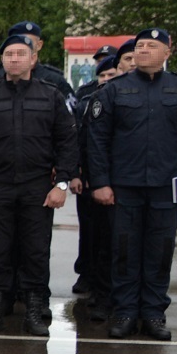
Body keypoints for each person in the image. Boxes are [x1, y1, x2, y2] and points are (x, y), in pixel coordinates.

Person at [87, 27, 177, 341]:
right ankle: (126, 312)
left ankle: (154, 313)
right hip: (124, 186)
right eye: (139, 45)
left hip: (165, 188)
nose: (143, 51)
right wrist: (100, 182)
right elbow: (97, 141)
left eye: (151, 46)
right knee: (124, 251)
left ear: (167, 52)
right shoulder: (114, 90)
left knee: (159, 251)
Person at [0, 33, 79, 335]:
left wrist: (62, 185)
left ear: (33, 59)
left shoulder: (51, 95)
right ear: (2, 60)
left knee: (36, 251)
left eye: (20, 54)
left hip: (38, 188)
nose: (14, 59)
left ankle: (35, 311)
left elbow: (67, 142)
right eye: (8, 54)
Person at [69, 46, 124, 317]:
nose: (107, 77)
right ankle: (92, 280)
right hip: (93, 178)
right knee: (93, 235)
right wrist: (77, 173)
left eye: (112, 71)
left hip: (125, 178)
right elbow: (79, 138)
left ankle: (118, 293)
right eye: (102, 71)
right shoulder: (86, 97)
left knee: (117, 239)